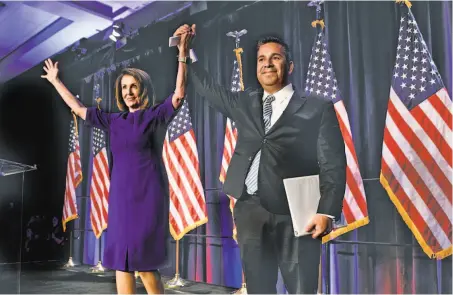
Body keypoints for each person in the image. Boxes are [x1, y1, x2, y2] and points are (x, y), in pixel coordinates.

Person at [174, 24, 346, 293]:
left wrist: (326, 211)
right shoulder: (246, 102)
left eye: (275, 58)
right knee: (258, 287)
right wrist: (187, 52)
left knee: (302, 287)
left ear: (289, 66)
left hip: (296, 212)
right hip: (249, 209)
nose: (267, 64)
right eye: (262, 59)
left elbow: (333, 163)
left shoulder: (317, 108)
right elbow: (209, 90)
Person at [41, 37, 193, 293]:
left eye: (133, 87)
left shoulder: (154, 116)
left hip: (148, 198)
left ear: (142, 89)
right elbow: (78, 109)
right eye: (124, 88)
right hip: (121, 201)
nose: (128, 92)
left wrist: (182, 54)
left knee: (143, 264)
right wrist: (56, 81)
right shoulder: (114, 120)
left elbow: (179, 94)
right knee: (122, 264)